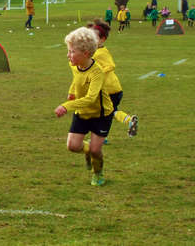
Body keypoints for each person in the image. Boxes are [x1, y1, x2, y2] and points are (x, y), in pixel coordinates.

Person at [55, 27, 114, 186]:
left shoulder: (97, 73)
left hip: (101, 115)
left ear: (86, 53)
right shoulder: (74, 65)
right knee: (73, 146)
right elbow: (76, 79)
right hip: (82, 112)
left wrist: (67, 105)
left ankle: (98, 173)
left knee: (96, 150)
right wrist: (72, 92)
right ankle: (87, 152)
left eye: (72, 52)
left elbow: (90, 99)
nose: (68, 55)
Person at [86, 19, 138, 142]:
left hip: (109, 90)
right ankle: (128, 121)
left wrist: (98, 73)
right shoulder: (96, 51)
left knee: (102, 113)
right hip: (113, 89)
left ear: (102, 39)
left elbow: (111, 65)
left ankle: (101, 137)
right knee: (110, 112)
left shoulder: (101, 52)